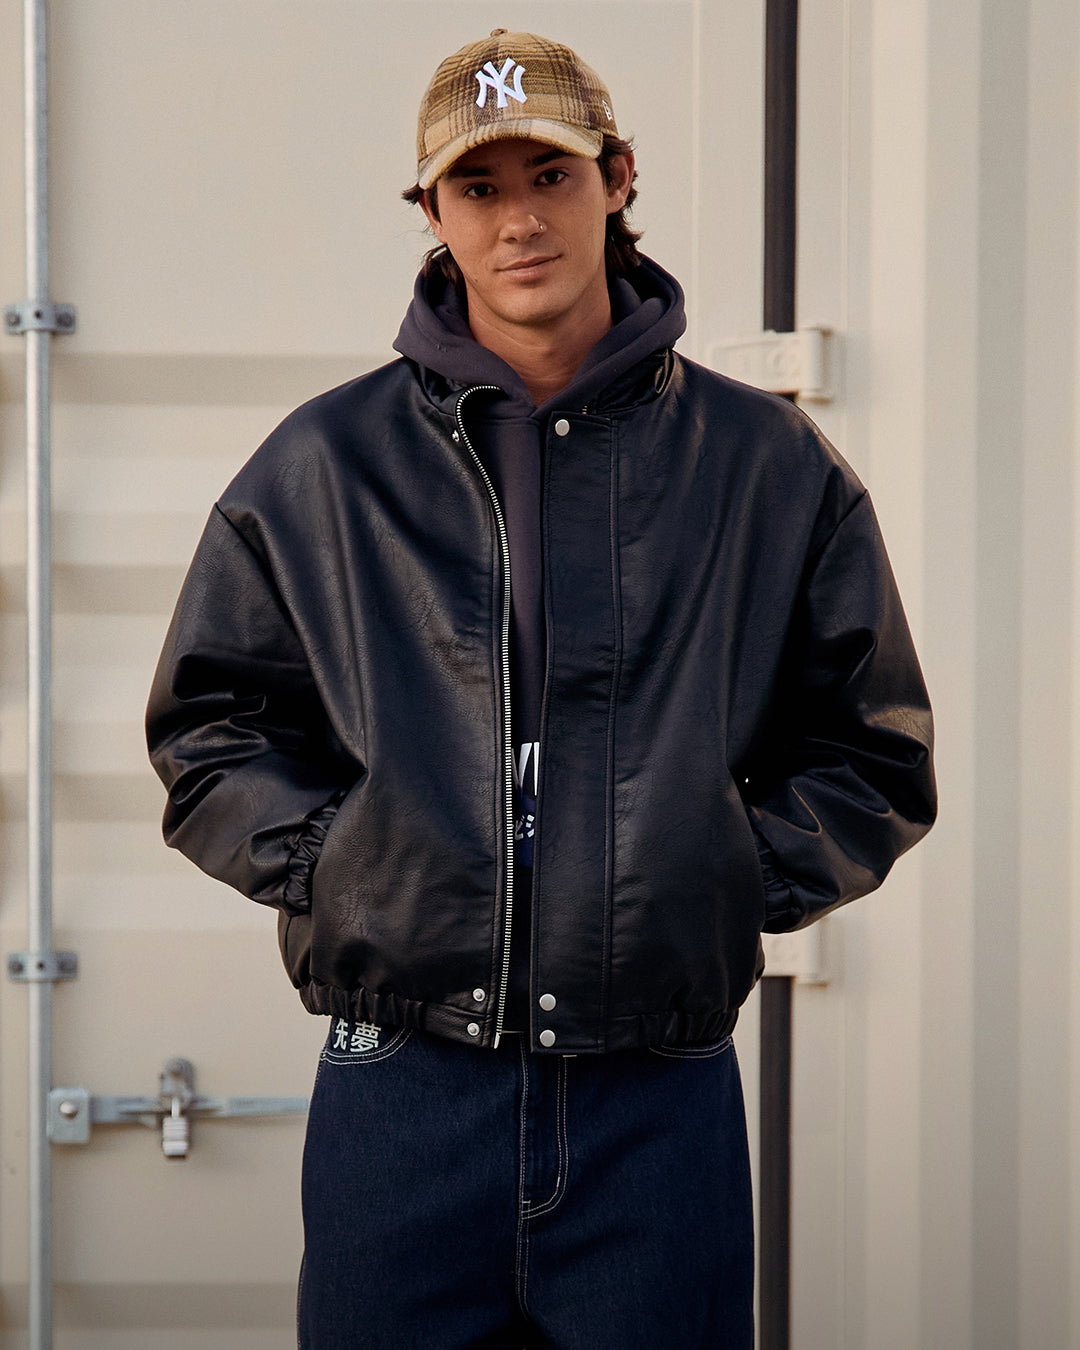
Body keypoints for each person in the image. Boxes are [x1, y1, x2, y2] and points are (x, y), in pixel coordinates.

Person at [146, 29, 936, 1350]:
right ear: (432, 213)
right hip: (402, 1087)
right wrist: (349, 862)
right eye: (479, 187)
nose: (519, 221)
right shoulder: (325, 465)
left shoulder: (765, 463)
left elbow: (874, 748)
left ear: (618, 178)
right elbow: (208, 732)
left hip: (657, 1095)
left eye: (551, 176)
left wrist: (716, 869)